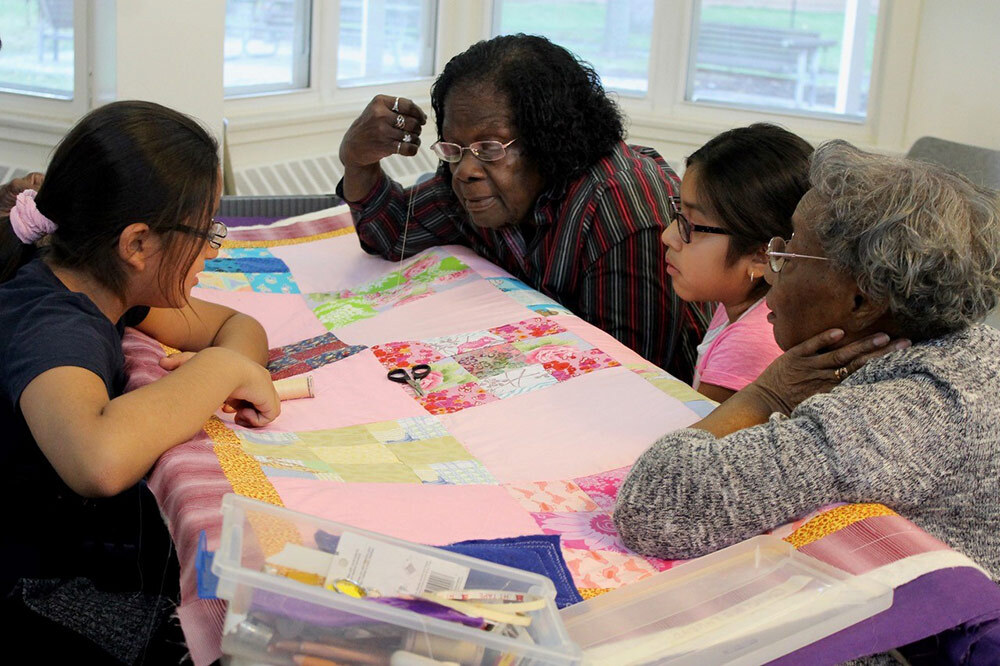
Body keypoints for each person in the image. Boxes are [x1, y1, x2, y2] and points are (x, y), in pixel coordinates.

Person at [614, 140, 1000, 585]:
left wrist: (768, 393)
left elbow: (654, 506)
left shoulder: (901, 414)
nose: (770, 270)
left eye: (790, 252)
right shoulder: (968, 349)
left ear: (862, 301)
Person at [0, 101, 281, 663]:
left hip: (69, 554)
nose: (213, 249)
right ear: (137, 245)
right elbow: (98, 460)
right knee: (241, 635)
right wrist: (217, 371)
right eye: (207, 231)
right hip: (30, 590)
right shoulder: (53, 323)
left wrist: (220, 371)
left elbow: (237, 324)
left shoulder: (103, 283)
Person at [337, 34, 708, 382]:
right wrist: (356, 160)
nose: (465, 170)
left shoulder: (621, 208)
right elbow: (392, 233)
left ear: (549, 140)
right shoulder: (473, 175)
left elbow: (630, 375)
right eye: (454, 148)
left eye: (490, 147)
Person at [665, 125, 812, 402]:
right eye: (678, 214)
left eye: (691, 225)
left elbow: (702, 429)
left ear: (762, 256)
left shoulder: (751, 343)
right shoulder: (741, 298)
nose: (668, 236)